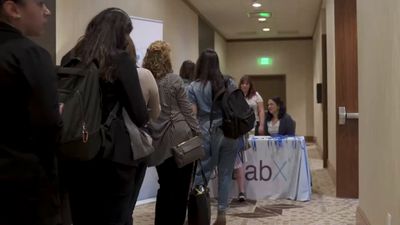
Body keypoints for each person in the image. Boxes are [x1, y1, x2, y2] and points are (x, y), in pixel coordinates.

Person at [60, 8, 148, 225]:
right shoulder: (120, 60)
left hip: (76, 149)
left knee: (82, 217)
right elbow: (139, 115)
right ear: (120, 33)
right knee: (116, 218)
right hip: (113, 155)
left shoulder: (70, 57)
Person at [0, 0, 63, 224]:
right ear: (13, 9)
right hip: (25, 186)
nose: (47, 11)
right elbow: (48, 123)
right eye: (40, 3)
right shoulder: (31, 54)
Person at [142, 40, 200, 225]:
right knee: (181, 188)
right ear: (166, 58)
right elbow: (187, 110)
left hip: (157, 140)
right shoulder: (174, 80)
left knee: (165, 186)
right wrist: (199, 133)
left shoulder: (145, 79)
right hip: (180, 139)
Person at [188, 49, 238, 225]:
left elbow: (193, 115)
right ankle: (222, 214)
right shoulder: (229, 82)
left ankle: (198, 213)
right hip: (229, 132)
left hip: (206, 132)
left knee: (202, 174)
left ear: (200, 64)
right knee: (225, 174)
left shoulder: (194, 87)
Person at [125, 35, 160, 223]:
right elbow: (155, 114)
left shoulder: (100, 73)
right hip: (135, 143)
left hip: (103, 144)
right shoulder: (144, 75)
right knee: (127, 204)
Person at [233, 75, 265, 202]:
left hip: (253, 127)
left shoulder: (256, 96)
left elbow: (261, 111)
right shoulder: (236, 96)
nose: (245, 85)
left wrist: (262, 124)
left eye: (247, 84)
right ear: (240, 85)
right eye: (243, 83)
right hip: (240, 130)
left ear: (250, 85)